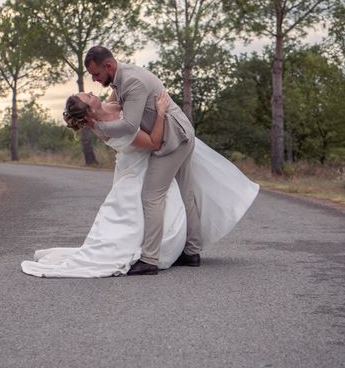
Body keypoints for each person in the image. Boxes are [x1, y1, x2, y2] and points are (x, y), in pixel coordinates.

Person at [19, 90, 260, 278]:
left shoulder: (105, 107)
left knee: (167, 204)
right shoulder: (108, 127)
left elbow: (118, 90)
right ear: (90, 112)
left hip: (140, 165)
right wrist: (162, 111)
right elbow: (154, 142)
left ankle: (181, 249)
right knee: (150, 207)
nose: (93, 94)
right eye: (88, 97)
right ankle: (154, 254)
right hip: (142, 169)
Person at [84, 46, 201, 275]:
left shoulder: (132, 82)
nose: (94, 80)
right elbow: (113, 106)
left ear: (108, 66)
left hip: (173, 139)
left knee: (151, 196)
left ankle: (150, 259)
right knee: (185, 193)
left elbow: (129, 125)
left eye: (96, 74)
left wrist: (96, 126)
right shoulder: (119, 80)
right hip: (182, 134)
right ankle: (192, 252)